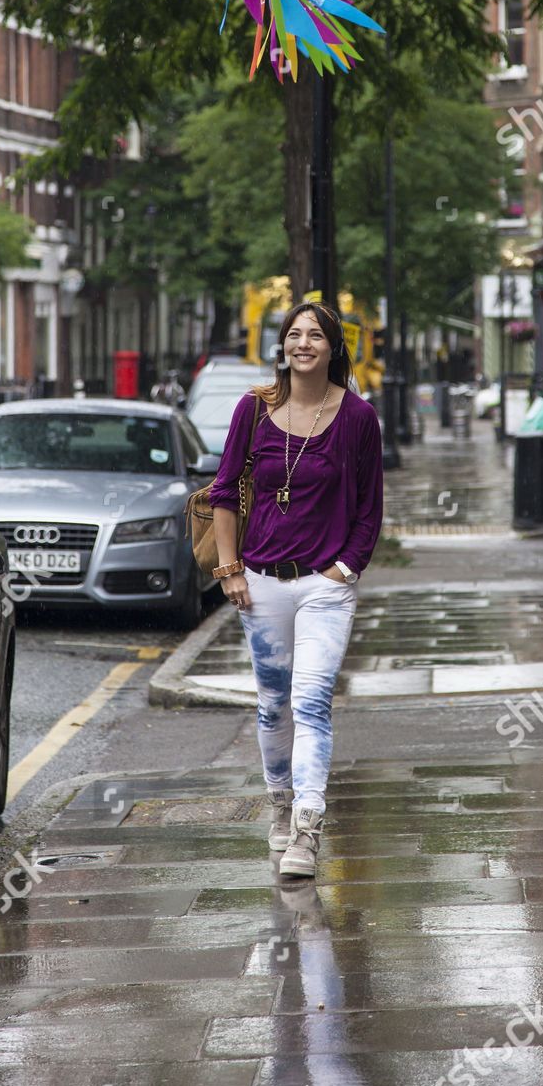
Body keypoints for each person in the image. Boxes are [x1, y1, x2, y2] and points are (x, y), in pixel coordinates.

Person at [207, 301, 383, 878]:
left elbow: (369, 508)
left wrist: (345, 569)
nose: (302, 343)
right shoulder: (252, 410)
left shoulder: (357, 418)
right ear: (282, 345)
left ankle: (307, 829)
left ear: (334, 348)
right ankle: (280, 805)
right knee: (272, 705)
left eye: (315, 335)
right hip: (260, 583)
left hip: (325, 587)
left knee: (311, 702)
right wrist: (230, 570)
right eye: (294, 334)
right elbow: (225, 492)